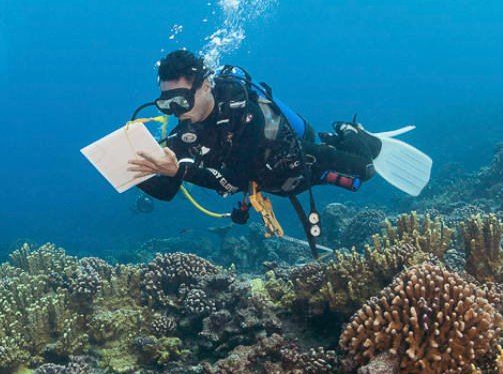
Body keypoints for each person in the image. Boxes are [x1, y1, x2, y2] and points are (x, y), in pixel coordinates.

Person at [129, 49, 383, 252]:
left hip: (297, 161)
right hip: (271, 184)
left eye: (182, 99)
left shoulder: (245, 112)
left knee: (366, 170)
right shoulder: (183, 135)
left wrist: (180, 171)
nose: (176, 110)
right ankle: (337, 140)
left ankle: (349, 130)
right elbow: (164, 191)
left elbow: (235, 179)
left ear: (205, 86)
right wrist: (126, 170)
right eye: (166, 104)